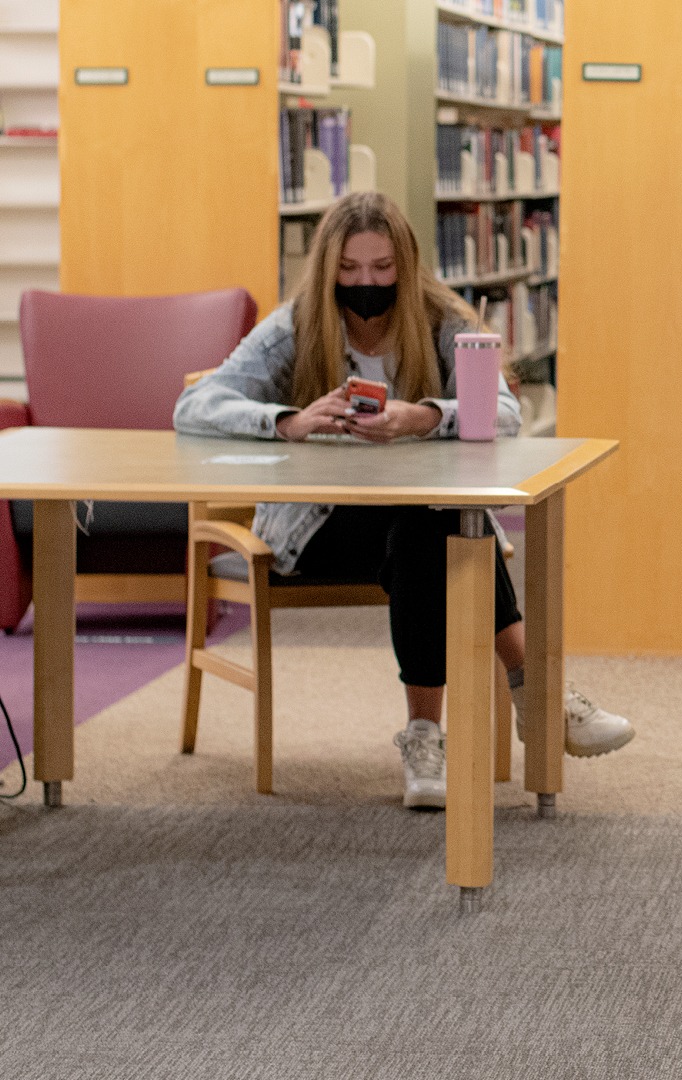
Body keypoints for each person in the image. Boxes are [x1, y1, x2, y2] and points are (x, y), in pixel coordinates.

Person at [175, 191, 634, 810]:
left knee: (427, 527)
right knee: (446, 533)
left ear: (407, 265)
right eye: (351, 270)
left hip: (415, 530)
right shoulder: (297, 323)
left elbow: (502, 413)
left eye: (383, 269)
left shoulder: (444, 319)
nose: (367, 283)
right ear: (328, 267)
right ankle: (540, 694)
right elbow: (195, 406)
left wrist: (421, 416)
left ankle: (425, 739)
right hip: (316, 529)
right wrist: (291, 420)